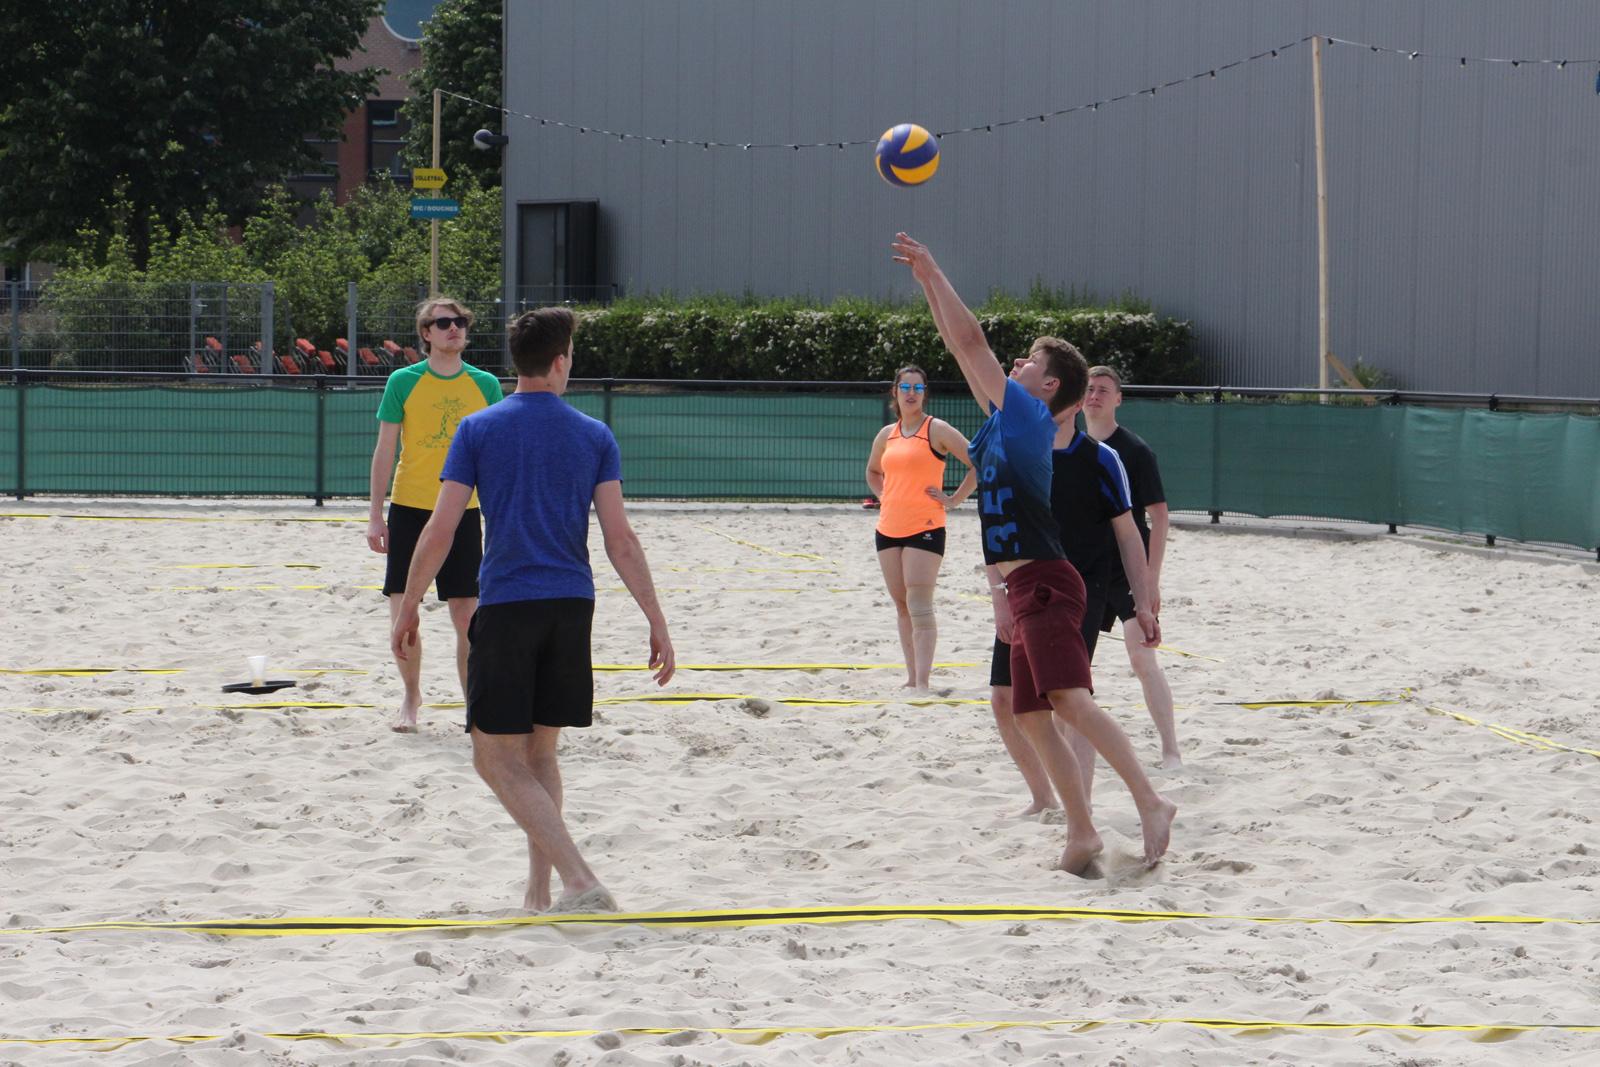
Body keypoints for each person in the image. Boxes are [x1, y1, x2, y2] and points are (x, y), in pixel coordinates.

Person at [891, 231, 1176, 874]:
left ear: (1046, 386)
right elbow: (959, 348)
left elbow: (972, 342)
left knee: (1070, 702)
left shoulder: (1026, 418)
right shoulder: (1005, 421)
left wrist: (936, 266)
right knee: (1029, 713)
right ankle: (1082, 832)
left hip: (1048, 580)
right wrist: (928, 284)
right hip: (1024, 585)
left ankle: (1151, 800)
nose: (1013, 363)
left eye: (1026, 362)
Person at [391, 306, 674, 913]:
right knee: (540, 754)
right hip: (572, 605)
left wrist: (409, 605)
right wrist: (656, 619)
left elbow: (441, 529)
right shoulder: (593, 434)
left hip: (510, 604)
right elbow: (620, 539)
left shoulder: (479, 429)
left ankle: (579, 879)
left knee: (493, 759)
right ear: (560, 361)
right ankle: (540, 892)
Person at [990, 395, 1162, 815]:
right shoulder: (1014, 449)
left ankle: (1081, 809)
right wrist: (998, 596)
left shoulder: (1103, 458)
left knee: (1070, 701)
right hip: (1022, 587)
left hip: (1078, 589)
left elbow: (1129, 533)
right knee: (1005, 698)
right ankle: (1043, 797)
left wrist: (1142, 602)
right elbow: (994, 523)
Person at [367, 297, 504, 732]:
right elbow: (385, 449)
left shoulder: (485, 384)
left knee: (467, 616)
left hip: (464, 510)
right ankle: (411, 696)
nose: (454, 328)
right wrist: (375, 515)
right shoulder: (403, 381)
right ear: (426, 333)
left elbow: (496, 456)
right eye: (443, 323)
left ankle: (473, 705)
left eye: (460, 321)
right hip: (410, 507)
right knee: (404, 611)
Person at [1083, 365, 1180, 770]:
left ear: (1118, 399)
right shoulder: (1069, 444)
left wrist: (1151, 580)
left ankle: (1170, 750)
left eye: (1103, 390)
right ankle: (1073, 751)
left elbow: (1159, 517)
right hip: (1085, 564)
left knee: (1142, 658)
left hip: (1127, 567)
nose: (1094, 396)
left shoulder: (1135, 451)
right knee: (1074, 667)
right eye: (1089, 389)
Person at [864, 366, 977, 690]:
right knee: (901, 604)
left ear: (925, 393)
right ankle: (912, 677)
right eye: (905, 387)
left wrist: (954, 499)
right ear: (895, 392)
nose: (911, 393)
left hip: (925, 526)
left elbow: (978, 462)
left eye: (917, 387)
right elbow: (873, 471)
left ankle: (923, 682)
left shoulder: (936, 429)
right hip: (888, 528)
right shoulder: (887, 434)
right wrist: (885, 495)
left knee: (919, 604)